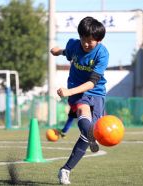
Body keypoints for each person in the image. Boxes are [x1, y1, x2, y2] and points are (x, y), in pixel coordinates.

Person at [50, 16, 109, 185]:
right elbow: (67, 53)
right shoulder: (74, 45)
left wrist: (68, 91)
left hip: (96, 91)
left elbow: (92, 83)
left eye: (90, 41)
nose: (86, 43)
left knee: (88, 131)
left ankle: (65, 169)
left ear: (99, 40)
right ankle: (92, 136)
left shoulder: (102, 54)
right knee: (84, 113)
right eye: (83, 39)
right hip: (77, 90)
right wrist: (58, 51)